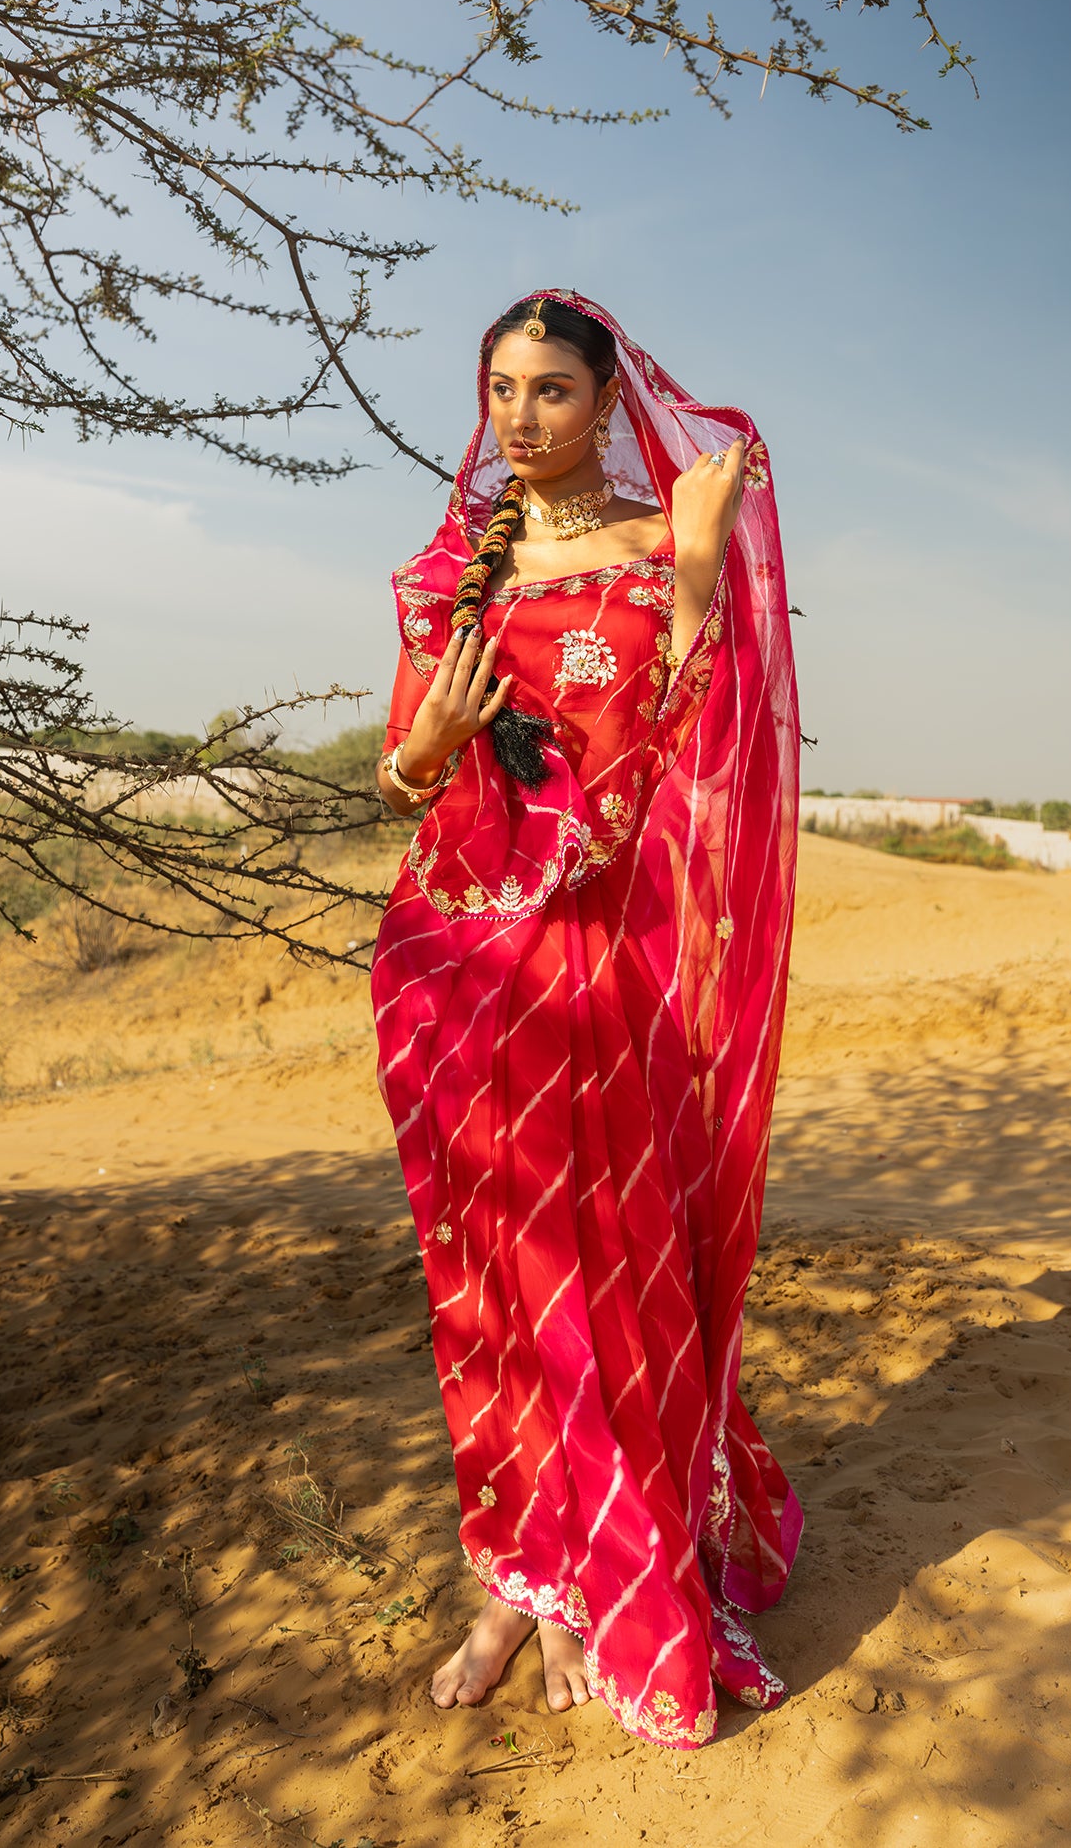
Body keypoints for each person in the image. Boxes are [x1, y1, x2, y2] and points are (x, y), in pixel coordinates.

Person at [370, 290, 801, 1750]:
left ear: (608, 402)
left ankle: (587, 1569)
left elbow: (704, 742)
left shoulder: (655, 547)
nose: (520, 416)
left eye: (550, 389)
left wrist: (697, 558)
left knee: (593, 1266)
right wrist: (428, 748)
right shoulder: (456, 569)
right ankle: (516, 1572)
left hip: (592, 962)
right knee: (487, 1280)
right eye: (500, 389)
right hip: (448, 960)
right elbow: (404, 775)